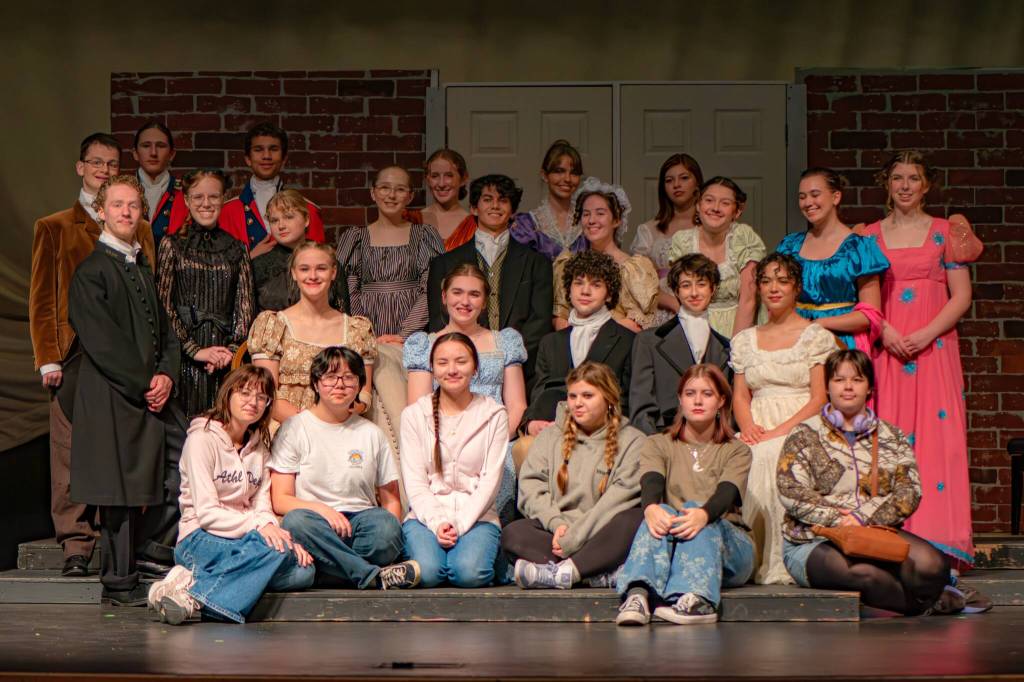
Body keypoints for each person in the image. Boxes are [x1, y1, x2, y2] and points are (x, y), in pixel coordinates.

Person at [29, 132, 156, 578]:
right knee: (69, 450)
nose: (103, 168)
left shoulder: (137, 226)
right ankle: (76, 542)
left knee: (118, 447)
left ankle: (120, 538)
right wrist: (47, 356)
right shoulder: (55, 226)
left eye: (111, 162)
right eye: (95, 162)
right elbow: (42, 296)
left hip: (122, 359)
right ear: (80, 167)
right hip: (73, 354)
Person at [777, 349, 983, 616]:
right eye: (839, 380)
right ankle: (933, 603)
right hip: (812, 540)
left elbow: (909, 491)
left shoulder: (891, 436)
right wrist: (837, 520)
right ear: (827, 387)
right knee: (868, 575)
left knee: (934, 565)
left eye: (857, 379)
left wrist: (861, 518)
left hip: (873, 531)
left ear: (870, 388)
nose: (848, 387)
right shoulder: (804, 434)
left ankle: (932, 591)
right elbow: (790, 490)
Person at [859, 151, 983, 570]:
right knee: (889, 438)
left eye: (914, 178)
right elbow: (866, 293)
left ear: (926, 185)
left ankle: (941, 546)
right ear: (887, 183)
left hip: (934, 349)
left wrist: (925, 334)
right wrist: (887, 333)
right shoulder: (869, 235)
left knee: (935, 441)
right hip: (888, 347)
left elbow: (961, 296)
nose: (906, 185)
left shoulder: (946, 232)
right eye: (898, 177)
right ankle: (890, 544)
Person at [67, 174, 184, 605]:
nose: (125, 212)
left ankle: (152, 554)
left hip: (150, 392)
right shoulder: (91, 272)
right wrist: (143, 383)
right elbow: (102, 341)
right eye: (117, 205)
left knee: (184, 461)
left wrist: (167, 375)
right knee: (115, 490)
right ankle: (118, 584)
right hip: (113, 393)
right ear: (101, 211)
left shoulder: (139, 266)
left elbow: (166, 331)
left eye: (133, 205)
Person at [147, 365, 315, 625]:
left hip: (244, 540)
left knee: (305, 571)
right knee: (274, 552)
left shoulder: (259, 446)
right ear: (228, 395)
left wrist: (274, 530)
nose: (253, 402)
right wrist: (263, 530)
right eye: (245, 393)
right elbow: (207, 514)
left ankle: (191, 584)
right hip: (199, 539)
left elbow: (262, 505)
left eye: (261, 397)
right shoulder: (202, 440)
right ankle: (197, 599)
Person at [269, 347, 421, 590]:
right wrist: (323, 510)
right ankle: (369, 575)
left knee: (387, 528)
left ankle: (329, 569)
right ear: (316, 384)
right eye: (330, 376)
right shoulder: (295, 429)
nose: (339, 384)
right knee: (295, 523)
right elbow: (280, 499)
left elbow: (391, 500)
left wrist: (391, 535)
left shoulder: (371, 433)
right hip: (315, 523)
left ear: (360, 385)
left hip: (360, 523)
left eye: (349, 377)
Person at [616, 364, 753, 626]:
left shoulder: (737, 449)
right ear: (680, 399)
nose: (698, 400)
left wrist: (702, 515)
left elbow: (726, 494)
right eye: (690, 393)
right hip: (675, 542)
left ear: (721, 400)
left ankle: (697, 600)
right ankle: (637, 596)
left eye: (707, 394)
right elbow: (652, 482)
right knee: (659, 511)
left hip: (729, 547)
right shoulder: (658, 443)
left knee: (697, 510)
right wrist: (650, 508)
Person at [730, 253, 836, 584]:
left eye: (782, 281)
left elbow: (820, 398)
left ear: (796, 288)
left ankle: (785, 559)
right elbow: (740, 395)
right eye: (766, 281)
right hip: (757, 422)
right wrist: (748, 426)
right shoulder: (746, 339)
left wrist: (777, 431)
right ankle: (747, 558)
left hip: (802, 423)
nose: (773, 288)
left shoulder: (814, 335)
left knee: (771, 455)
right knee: (744, 454)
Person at [503, 362, 644, 589]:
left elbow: (618, 500)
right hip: (557, 534)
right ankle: (590, 573)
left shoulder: (633, 441)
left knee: (635, 521)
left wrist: (576, 536)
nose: (578, 403)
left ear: (608, 398)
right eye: (573, 396)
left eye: (588, 395)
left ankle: (565, 572)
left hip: (602, 531)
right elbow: (531, 487)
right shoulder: (550, 436)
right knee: (513, 534)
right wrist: (556, 524)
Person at [400, 333, 509, 588]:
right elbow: (415, 484)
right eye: (442, 362)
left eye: (461, 361)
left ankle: (495, 561)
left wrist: (459, 525)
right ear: (432, 369)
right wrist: (438, 523)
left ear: (474, 367)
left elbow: (489, 483)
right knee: (427, 573)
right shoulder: (414, 415)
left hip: (478, 516)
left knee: (468, 574)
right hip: (426, 518)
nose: (452, 370)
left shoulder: (494, 414)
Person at [427, 174, 552, 389]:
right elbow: (440, 318)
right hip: (460, 371)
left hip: (523, 369)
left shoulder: (536, 262)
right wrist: (466, 356)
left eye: (503, 200)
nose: (495, 206)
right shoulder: (444, 263)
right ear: (474, 208)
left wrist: (510, 357)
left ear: (512, 210)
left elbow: (540, 321)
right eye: (487, 199)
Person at [517, 250, 635, 468]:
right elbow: (540, 393)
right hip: (554, 432)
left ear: (609, 294)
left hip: (604, 436)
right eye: (579, 283)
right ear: (569, 289)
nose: (585, 291)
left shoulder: (627, 340)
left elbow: (628, 399)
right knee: (523, 447)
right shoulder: (550, 342)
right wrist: (531, 423)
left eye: (596, 284)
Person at [157, 169, 255, 418]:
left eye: (213, 196)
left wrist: (230, 352)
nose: (206, 203)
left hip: (225, 359)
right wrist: (194, 350)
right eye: (198, 196)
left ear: (223, 198)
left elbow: (244, 306)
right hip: (183, 356)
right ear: (187, 201)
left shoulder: (237, 248)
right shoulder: (172, 245)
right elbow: (164, 306)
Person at [248, 242, 376, 426]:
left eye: (321, 269)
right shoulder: (273, 325)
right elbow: (267, 393)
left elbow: (364, 394)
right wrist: (313, 425)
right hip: (287, 424)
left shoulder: (358, 330)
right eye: (304, 269)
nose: (313, 276)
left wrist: (342, 416)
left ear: (333, 273)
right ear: (294, 273)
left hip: (342, 425)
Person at [777, 167, 889, 351]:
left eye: (815, 194)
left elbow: (869, 315)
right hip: (795, 341)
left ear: (836, 197)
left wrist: (820, 324)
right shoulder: (789, 246)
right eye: (802, 196)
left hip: (842, 345)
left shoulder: (859, 249)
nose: (807, 202)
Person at [336, 165, 444, 343]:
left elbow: (432, 288)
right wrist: (365, 332)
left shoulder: (424, 235)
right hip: (365, 332)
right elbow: (347, 289)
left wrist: (404, 334)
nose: (391, 195)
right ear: (373, 193)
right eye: (385, 187)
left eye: (400, 189)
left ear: (410, 196)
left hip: (414, 332)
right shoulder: (355, 238)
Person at [629, 254, 731, 436]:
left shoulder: (726, 348)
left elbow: (727, 411)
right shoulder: (648, 341)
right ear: (676, 291)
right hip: (663, 440)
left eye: (701, 284)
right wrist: (655, 450)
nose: (694, 293)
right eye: (686, 285)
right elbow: (641, 407)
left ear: (713, 289)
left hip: (712, 445)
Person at [553, 178, 659, 332]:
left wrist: (595, 336)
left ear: (616, 220)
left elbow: (638, 322)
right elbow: (560, 316)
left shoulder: (635, 269)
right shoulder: (567, 264)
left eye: (600, 213)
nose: (591, 220)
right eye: (586, 214)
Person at [668, 177, 766, 337]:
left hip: (739, 328)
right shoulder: (682, 241)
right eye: (709, 200)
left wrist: (734, 347)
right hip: (693, 325)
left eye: (725, 203)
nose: (715, 208)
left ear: (737, 211)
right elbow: (681, 294)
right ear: (698, 205)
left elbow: (748, 298)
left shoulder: (743, 237)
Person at [220, 122, 325, 253]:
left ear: (284, 158)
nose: (266, 156)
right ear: (248, 159)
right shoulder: (227, 211)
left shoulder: (308, 209)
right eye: (258, 149)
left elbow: (320, 263)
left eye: (273, 149)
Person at [630, 153, 704, 327]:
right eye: (669, 180)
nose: (676, 185)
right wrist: (673, 304)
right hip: (661, 311)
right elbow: (639, 282)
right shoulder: (648, 230)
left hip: (703, 307)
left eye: (684, 178)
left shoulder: (711, 227)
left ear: (697, 183)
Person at [251, 190, 349, 313]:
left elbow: (343, 316)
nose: (281, 225)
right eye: (274, 220)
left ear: (306, 219)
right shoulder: (258, 266)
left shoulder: (327, 262)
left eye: (288, 217)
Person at [509, 139, 587, 260]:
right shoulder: (526, 226)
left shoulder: (588, 221)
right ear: (544, 175)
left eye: (574, 173)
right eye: (559, 171)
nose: (567, 178)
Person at [405, 148, 476, 251]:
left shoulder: (474, 225)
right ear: (427, 179)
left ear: (463, 179)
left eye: (449, 176)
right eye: (435, 176)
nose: (441, 184)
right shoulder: (412, 220)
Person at [132, 119, 188, 250]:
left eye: (161, 146)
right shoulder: (118, 192)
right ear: (135, 154)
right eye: (146, 146)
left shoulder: (186, 194)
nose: (153, 153)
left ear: (172, 154)